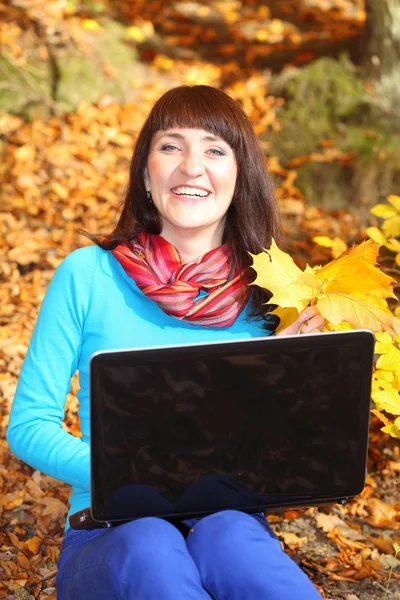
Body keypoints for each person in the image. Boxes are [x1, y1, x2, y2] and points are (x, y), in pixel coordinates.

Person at [7, 85, 324, 600]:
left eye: (215, 150)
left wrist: (285, 380)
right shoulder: (88, 276)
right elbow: (29, 425)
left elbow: (282, 456)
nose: (191, 167)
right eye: (171, 146)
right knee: (152, 542)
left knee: (234, 541)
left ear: (240, 176)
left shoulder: (274, 297)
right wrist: (130, 476)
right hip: (112, 536)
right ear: (146, 172)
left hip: (226, 524)